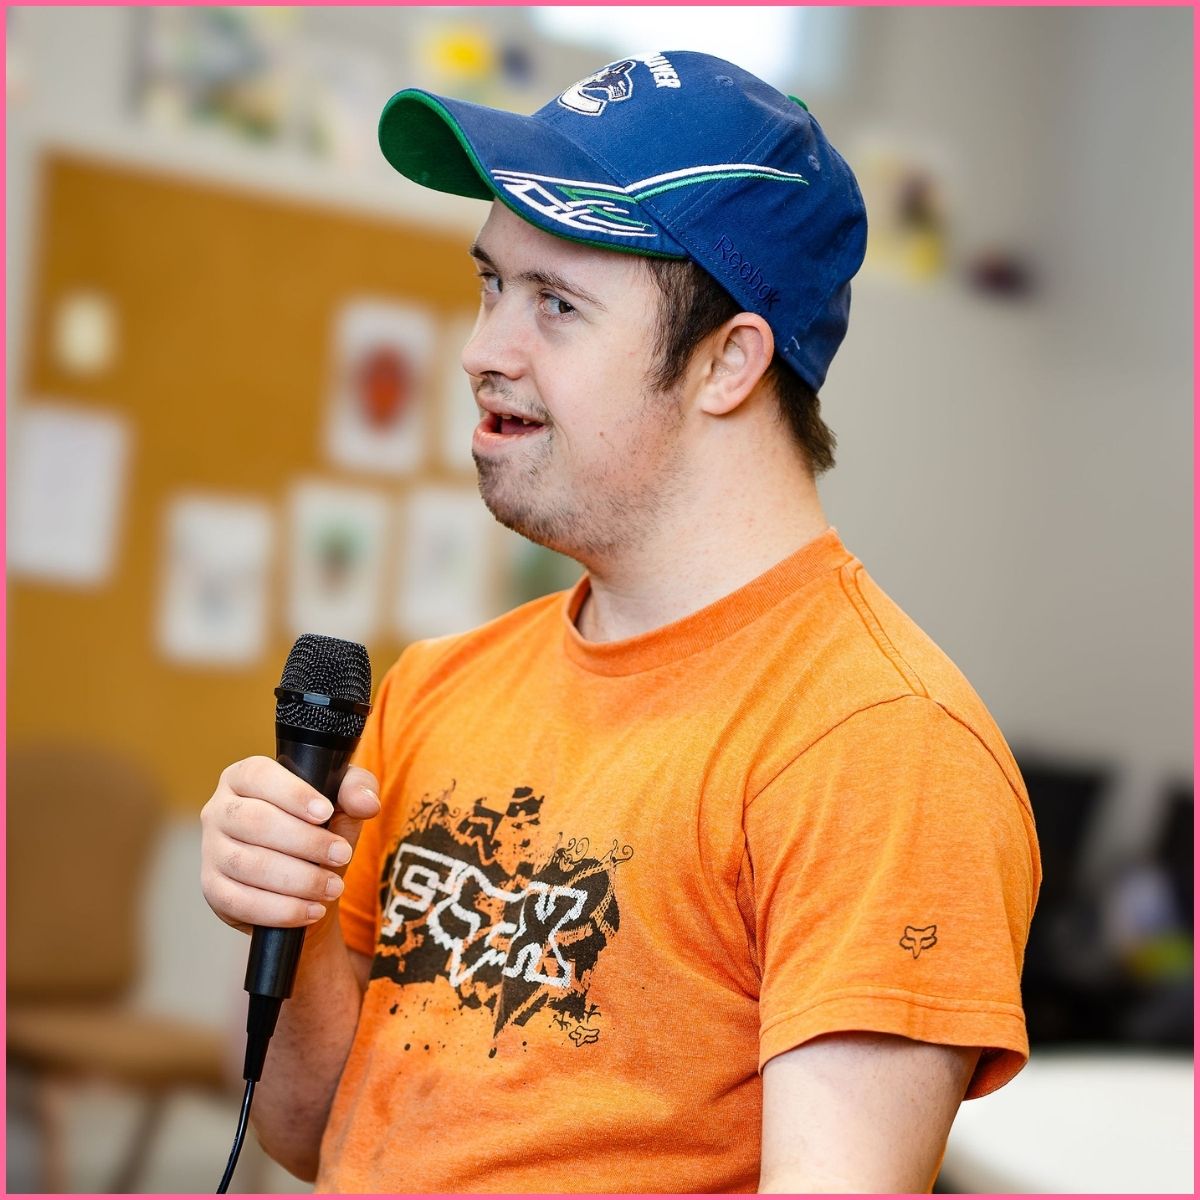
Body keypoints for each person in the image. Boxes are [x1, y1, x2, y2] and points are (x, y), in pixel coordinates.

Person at [200, 51, 1040, 1193]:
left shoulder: (883, 747)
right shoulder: (436, 688)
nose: (483, 349)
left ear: (728, 362)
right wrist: (282, 909)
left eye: (557, 303)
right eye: (494, 284)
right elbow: (315, 1133)